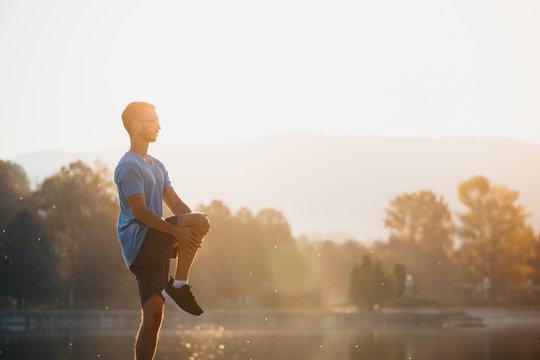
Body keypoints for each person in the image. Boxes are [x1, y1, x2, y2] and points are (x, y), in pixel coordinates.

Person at [114, 101, 210, 360]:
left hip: (155, 240)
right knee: (200, 222)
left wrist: (191, 224)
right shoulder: (128, 166)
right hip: (140, 241)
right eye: (152, 121)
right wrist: (182, 231)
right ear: (136, 125)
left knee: (154, 313)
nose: (159, 126)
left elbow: (176, 205)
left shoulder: (156, 165)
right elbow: (140, 213)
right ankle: (179, 285)